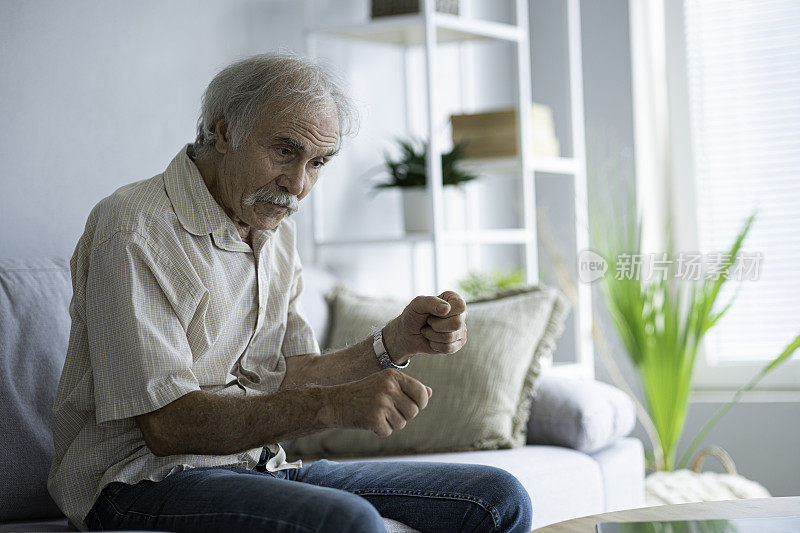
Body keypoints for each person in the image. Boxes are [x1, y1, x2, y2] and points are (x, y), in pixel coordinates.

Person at [47, 52, 533, 533]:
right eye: (284, 151)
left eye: (318, 162)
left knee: (497, 499)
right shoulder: (135, 228)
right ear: (224, 131)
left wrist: (394, 343)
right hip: (139, 482)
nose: (297, 185)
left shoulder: (273, 229)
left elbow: (290, 372)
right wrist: (330, 406)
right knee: (349, 522)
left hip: (255, 466)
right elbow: (169, 427)